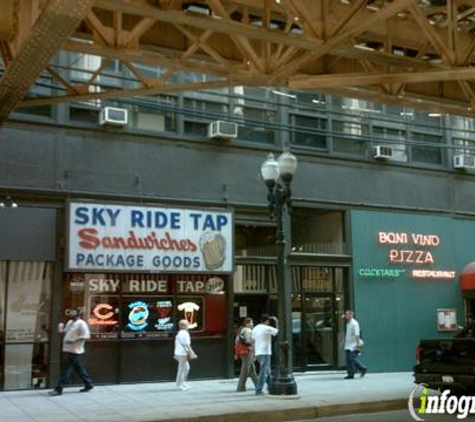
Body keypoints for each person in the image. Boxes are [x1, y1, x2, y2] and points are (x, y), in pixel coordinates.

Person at [48, 307, 94, 396]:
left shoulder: (81, 324)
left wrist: (75, 340)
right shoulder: (70, 322)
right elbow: (64, 332)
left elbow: (87, 336)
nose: (70, 314)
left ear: (78, 314)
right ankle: (88, 384)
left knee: (67, 370)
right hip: (68, 349)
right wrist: (60, 328)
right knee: (79, 368)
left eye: (72, 312)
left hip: (76, 351)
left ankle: (58, 389)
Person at [252, 314, 278, 395]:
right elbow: (277, 331)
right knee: (264, 372)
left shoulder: (255, 328)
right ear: (267, 321)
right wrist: (277, 322)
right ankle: (258, 390)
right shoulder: (267, 328)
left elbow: (253, 340)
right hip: (265, 352)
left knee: (267, 371)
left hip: (258, 352)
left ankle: (271, 387)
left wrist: (254, 353)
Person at [174, 319, 198, 391]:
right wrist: (192, 353)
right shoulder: (185, 333)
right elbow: (187, 344)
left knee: (186, 367)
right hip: (182, 353)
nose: (188, 325)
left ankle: (183, 382)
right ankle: (179, 384)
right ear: (184, 326)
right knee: (182, 368)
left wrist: (175, 354)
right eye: (187, 324)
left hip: (179, 353)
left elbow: (176, 343)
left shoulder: (179, 333)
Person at [343, 310, 367, 379]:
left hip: (354, 345)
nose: (346, 316)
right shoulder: (348, 323)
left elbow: (357, 334)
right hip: (348, 344)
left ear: (351, 315)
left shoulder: (354, 323)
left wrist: (358, 345)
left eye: (347, 314)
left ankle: (362, 368)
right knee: (348, 360)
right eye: (346, 314)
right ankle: (351, 374)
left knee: (351, 358)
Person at [235, 317, 257, 392]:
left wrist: (236, 353)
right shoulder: (247, 330)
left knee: (251, 370)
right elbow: (248, 341)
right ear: (247, 324)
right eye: (251, 322)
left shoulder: (241, 330)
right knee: (245, 370)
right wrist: (252, 348)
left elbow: (237, 342)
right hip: (247, 352)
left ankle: (258, 385)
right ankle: (240, 387)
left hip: (243, 352)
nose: (252, 324)